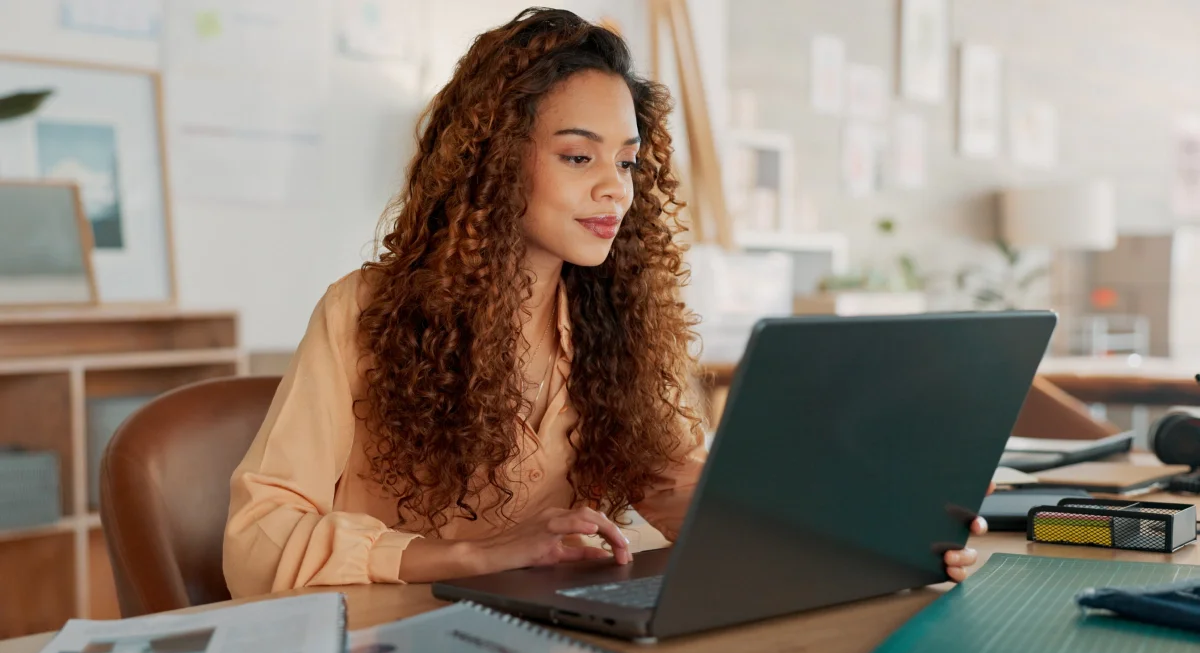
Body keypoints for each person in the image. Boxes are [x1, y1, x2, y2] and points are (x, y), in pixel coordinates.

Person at [222, 7, 986, 598]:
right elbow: (257, 539)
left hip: (556, 633)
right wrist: (468, 554)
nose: (614, 188)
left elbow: (684, 489)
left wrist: (861, 533)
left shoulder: (614, 321)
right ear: (492, 163)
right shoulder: (365, 309)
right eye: (578, 156)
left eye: (626, 161)